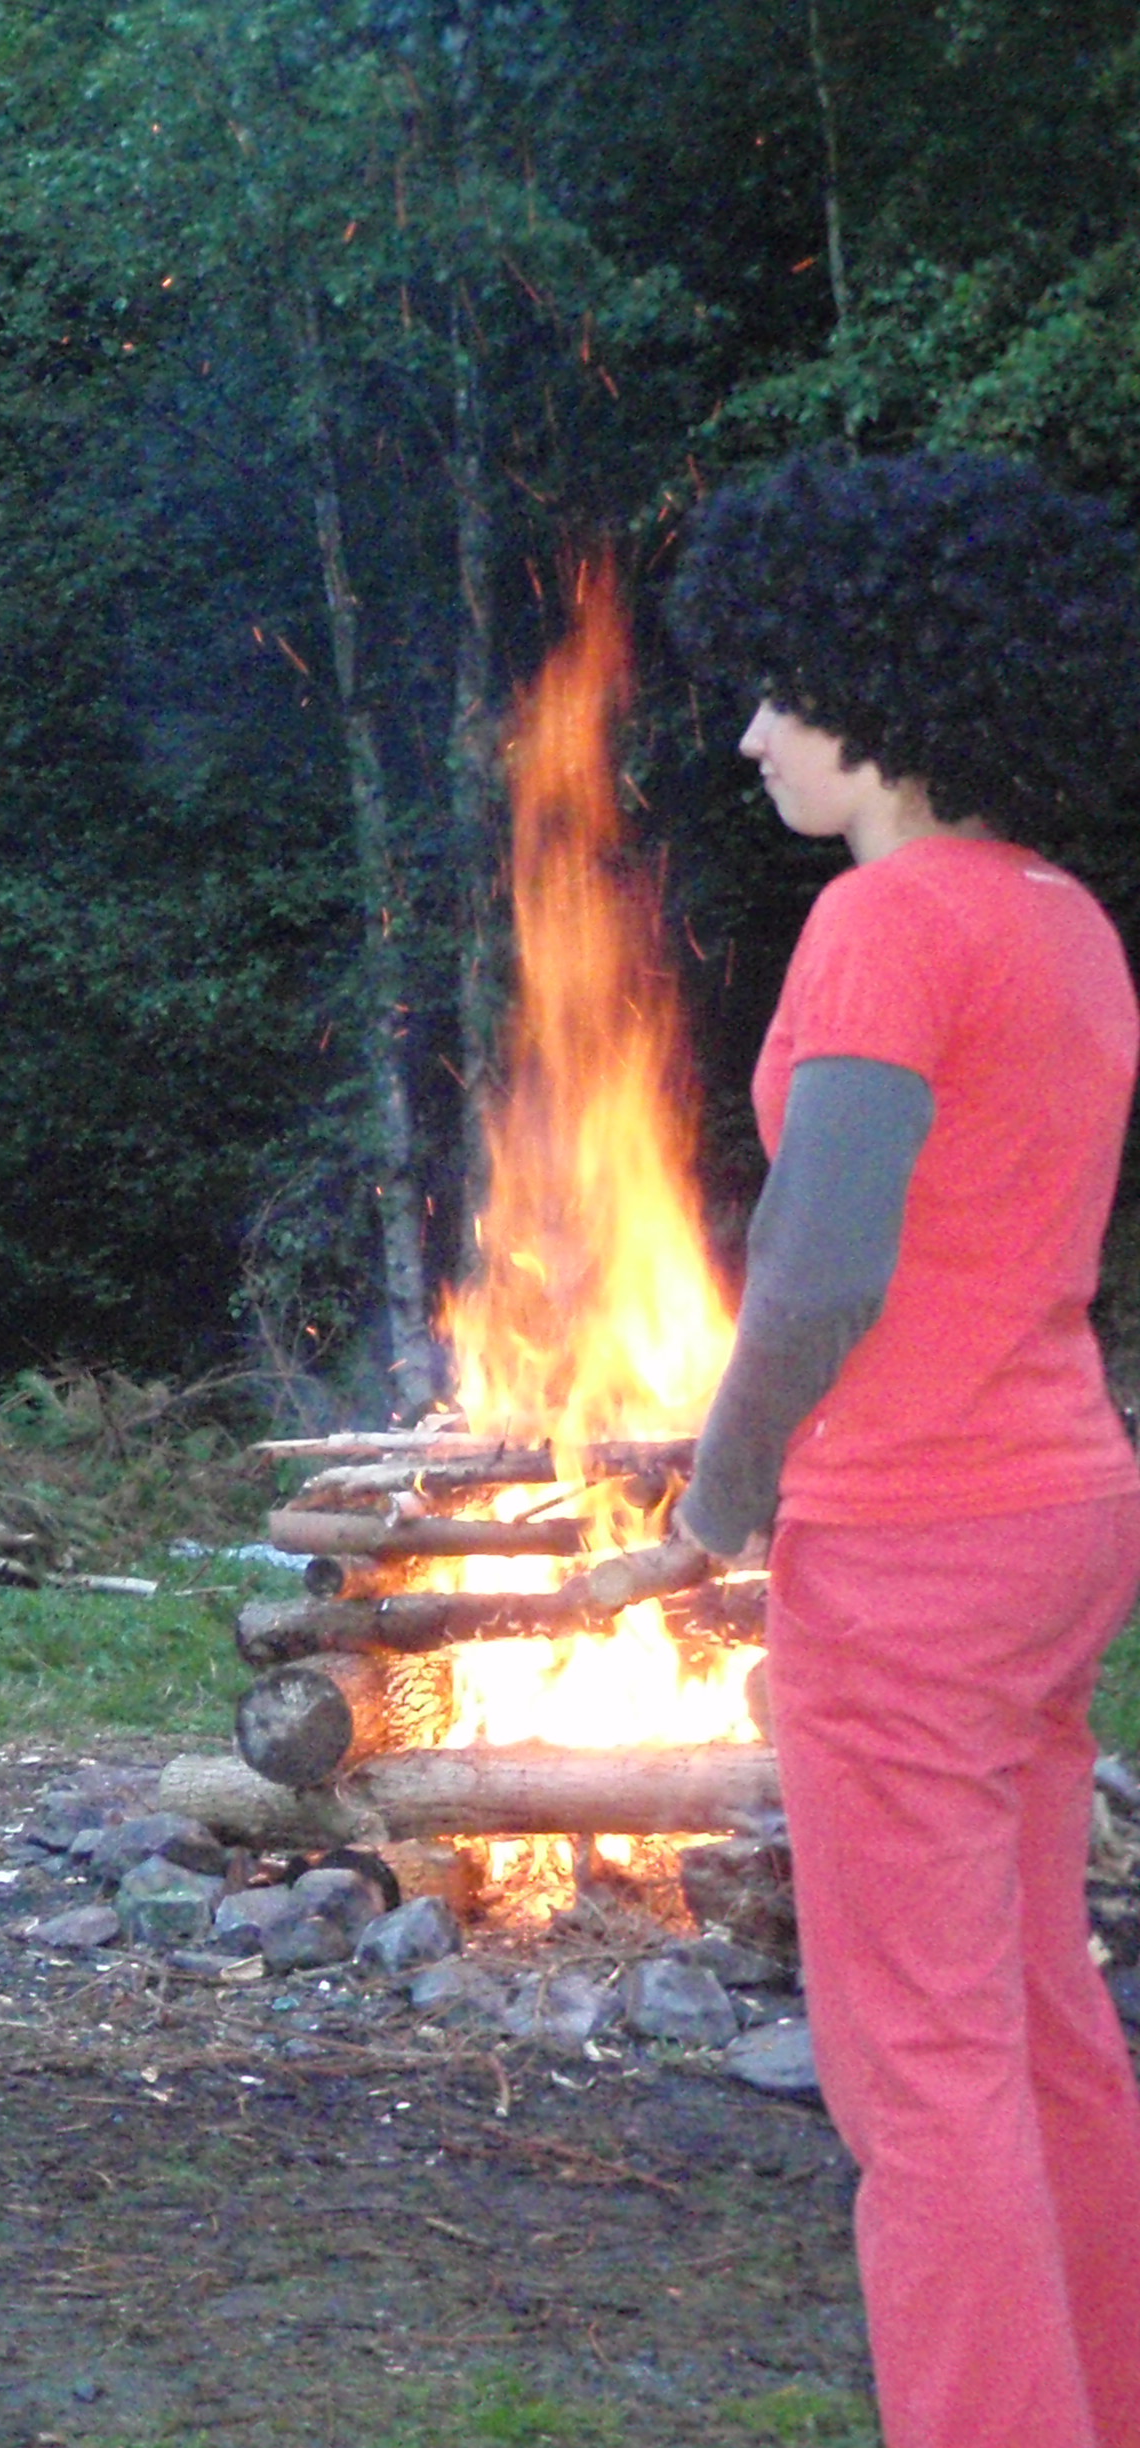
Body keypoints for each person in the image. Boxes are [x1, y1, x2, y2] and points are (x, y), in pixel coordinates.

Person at [669, 449, 1140, 2448]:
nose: (750, 734)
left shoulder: (881, 924)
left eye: (779, 691)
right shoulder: (1063, 919)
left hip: (914, 1546)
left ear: (882, 687)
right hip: (1061, 1511)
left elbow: (820, 1269)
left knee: (919, 2071)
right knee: (1039, 2021)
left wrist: (715, 1498)